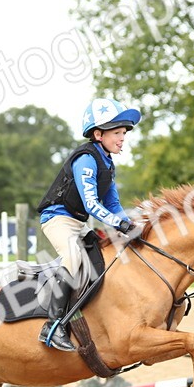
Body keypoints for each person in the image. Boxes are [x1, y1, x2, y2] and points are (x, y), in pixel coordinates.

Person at [35, 98, 141, 351]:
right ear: (98, 134)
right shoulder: (86, 159)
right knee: (72, 258)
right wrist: (120, 225)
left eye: (123, 133)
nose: (122, 138)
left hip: (78, 223)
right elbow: (93, 205)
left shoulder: (107, 163)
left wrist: (130, 224)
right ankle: (52, 325)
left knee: (102, 258)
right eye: (117, 133)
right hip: (58, 219)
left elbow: (113, 205)